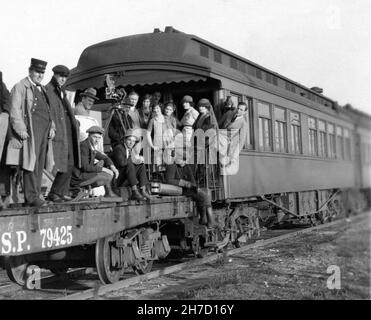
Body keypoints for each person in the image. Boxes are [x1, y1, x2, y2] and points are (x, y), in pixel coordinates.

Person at [7, 58, 55, 207]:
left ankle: (36, 195)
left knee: (40, 164)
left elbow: (49, 110)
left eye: (42, 73)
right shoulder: (20, 87)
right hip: (31, 131)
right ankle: (31, 197)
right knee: (30, 164)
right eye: (37, 72)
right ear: (30, 71)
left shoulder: (43, 89)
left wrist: (52, 127)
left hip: (44, 130)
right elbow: (14, 109)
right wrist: (20, 129)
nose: (40, 75)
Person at [45, 65, 81, 202]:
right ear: (54, 75)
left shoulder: (62, 91)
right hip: (59, 131)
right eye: (60, 76)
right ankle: (54, 193)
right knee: (62, 163)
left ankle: (60, 192)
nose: (62, 79)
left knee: (70, 163)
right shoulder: (48, 90)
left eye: (65, 77)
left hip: (68, 131)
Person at [70, 126, 119, 198]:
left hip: (84, 174)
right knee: (107, 176)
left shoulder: (90, 146)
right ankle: (79, 188)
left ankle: (109, 193)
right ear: (89, 136)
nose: (97, 140)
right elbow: (85, 167)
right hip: (78, 177)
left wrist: (113, 167)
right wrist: (104, 169)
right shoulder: (83, 146)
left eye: (99, 138)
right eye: (95, 137)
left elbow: (105, 158)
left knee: (104, 163)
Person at [165, 159, 215, 227]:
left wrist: (194, 187)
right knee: (203, 195)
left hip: (188, 188)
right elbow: (169, 180)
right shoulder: (172, 166)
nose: (184, 162)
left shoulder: (186, 166)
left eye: (185, 160)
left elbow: (192, 180)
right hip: (179, 189)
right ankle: (206, 219)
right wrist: (186, 184)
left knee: (206, 192)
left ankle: (205, 218)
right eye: (182, 159)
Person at [111, 129, 150, 201]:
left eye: (133, 141)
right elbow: (122, 163)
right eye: (129, 140)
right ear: (124, 140)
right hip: (117, 179)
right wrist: (133, 160)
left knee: (141, 165)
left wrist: (138, 161)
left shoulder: (130, 150)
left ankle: (143, 190)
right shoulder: (119, 148)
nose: (131, 142)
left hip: (127, 176)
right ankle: (134, 192)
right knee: (130, 164)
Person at [219, 102, 248, 174]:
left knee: (225, 170)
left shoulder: (243, 123)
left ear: (244, 112)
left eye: (241, 110)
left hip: (230, 147)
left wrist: (235, 155)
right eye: (238, 108)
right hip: (222, 142)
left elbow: (241, 140)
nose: (238, 110)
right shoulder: (231, 116)